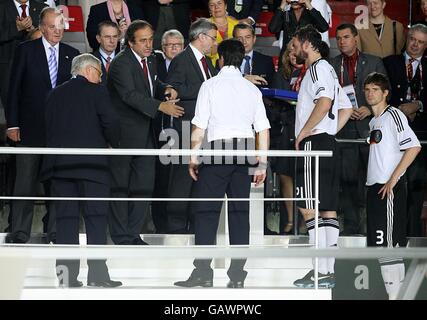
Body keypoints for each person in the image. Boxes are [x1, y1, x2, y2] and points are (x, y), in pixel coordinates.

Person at [174, 39, 270, 288]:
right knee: (240, 215)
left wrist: (193, 157)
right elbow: (263, 129)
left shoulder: (210, 85)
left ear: (222, 59)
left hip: (217, 151)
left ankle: (203, 273)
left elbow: (199, 126)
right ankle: (237, 277)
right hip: (245, 150)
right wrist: (262, 163)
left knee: (206, 213)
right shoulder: (252, 90)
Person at [41, 54, 122, 288]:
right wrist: (111, 143)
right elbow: (112, 122)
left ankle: (66, 278)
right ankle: (97, 275)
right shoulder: (97, 92)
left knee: (65, 223)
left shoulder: (54, 94)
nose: (100, 78)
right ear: (88, 71)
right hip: (92, 167)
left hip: (61, 168)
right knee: (96, 221)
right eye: (99, 73)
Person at [5, 7, 79, 244]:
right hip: (29, 130)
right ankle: (20, 232)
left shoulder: (72, 54)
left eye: (61, 26)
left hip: (61, 134)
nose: (58, 30)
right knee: (25, 183)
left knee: (58, 185)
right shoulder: (25, 50)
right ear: (42, 27)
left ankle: (56, 231)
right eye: (52, 26)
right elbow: (13, 90)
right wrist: (13, 124)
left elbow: (77, 97)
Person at [107, 20, 183, 245]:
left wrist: (165, 89)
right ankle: (120, 236)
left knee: (144, 185)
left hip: (146, 134)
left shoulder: (151, 59)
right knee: (121, 187)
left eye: (151, 39)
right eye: (143, 41)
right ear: (130, 42)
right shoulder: (121, 63)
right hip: (124, 135)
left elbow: (152, 84)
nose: (149, 44)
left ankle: (132, 233)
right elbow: (130, 95)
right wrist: (161, 106)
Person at [291, 25, 352, 288]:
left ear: (307, 44)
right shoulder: (329, 69)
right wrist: (328, 130)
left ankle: (320, 268)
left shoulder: (316, 69)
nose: (294, 50)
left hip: (313, 144)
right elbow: (347, 108)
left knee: (308, 206)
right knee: (326, 207)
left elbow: (325, 102)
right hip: (326, 141)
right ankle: (327, 270)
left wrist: (305, 132)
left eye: (295, 45)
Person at [364, 72, 421, 300]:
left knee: (389, 248)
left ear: (386, 92)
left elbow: (414, 147)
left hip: (389, 190)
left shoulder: (393, 115)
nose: (370, 93)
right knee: (380, 249)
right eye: (367, 89)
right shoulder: (373, 121)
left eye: (375, 90)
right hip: (374, 188)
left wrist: (393, 179)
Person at [330, 23, 387, 235]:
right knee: (348, 180)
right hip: (344, 129)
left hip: (370, 127)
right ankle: (352, 226)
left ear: (356, 39)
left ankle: (373, 225)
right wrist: (344, 109)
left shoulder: (374, 62)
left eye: (346, 37)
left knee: (373, 178)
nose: (342, 41)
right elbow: (329, 96)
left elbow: (384, 91)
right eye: (339, 38)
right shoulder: (332, 64)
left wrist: (370, 109)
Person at [165, 18, 218, 234]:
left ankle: (196, 227)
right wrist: (206, 88)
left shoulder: (208, 63)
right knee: (182, 181)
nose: (215, 43)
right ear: (201, 37)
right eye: (213, 38)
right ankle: (176, 229)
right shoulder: (182, 59)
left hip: (204, 129)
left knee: (198, 181)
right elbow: (174, 89)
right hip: (185, 128)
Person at [383, 24, 427, 237]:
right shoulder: (389, 63)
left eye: (420, 42)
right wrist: (401, 111)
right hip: (394, 134)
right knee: (396, 183)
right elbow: (383, 94)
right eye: (412, 39)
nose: (415, 44)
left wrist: (417, 105)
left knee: (417, 187)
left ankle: (413, 235)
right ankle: (395, 232)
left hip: (422, 136)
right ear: (407, 38)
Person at [151, 29, 184, 233]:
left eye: (177, 44)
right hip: (159, 129)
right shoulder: (155, 65)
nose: (173, 48)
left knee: (181, 180)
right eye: (169, 45)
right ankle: (161, 225)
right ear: (162, 48)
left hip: (184, 130)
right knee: (161, 179)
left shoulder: (191, 64)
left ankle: (180, 224)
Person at [0, 0, 47, 106]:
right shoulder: (2, 7)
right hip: (8, 65)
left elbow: (51, 33)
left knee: (36, 102)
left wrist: (33, 31)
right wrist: (17, 28)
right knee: (11, 103)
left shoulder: (43, 8)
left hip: (37, 64)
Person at [207, 0, 239, 66]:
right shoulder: (204, 25)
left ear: (226, 6)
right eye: (212, 5)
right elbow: (205, 51)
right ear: (209, 9)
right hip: (211, 67)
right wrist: (223, 43)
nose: (216, 7)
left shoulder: (236, 24)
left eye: (219, 3)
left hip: (234, 65)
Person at [92, 21, 120, 85]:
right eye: (107, 37)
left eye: (115, 36)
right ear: (98, 38)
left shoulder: (126, 59)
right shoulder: (89, 60)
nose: (112, 41)